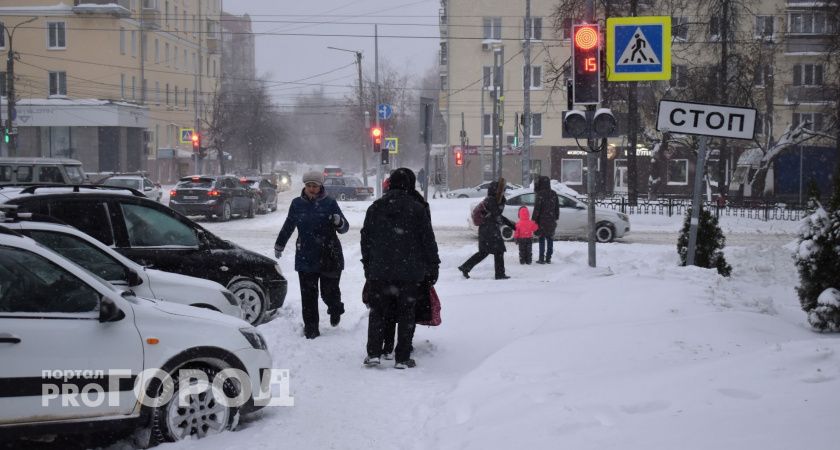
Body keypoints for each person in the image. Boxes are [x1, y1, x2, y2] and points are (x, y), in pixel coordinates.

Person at [361, 167, 440, 369]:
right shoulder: (417, 208)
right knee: (407, 313)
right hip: (409, 273)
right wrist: (433, 266)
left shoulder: (375, 207)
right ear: (409, 184)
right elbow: (428, 241)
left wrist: (368, 265)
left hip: (379, 271)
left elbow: (366, 239)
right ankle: (402, 357)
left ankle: (373, 353)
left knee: (378, 312)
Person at [274, 171, 349, 339]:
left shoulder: (330, 203)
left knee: (329, 292)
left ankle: (335, 308)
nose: (312, 189)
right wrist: (280, 244)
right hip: (306, 255)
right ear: (305, 186)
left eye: (315, 186)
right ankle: (311, 328)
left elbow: (344, 229)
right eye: (309, 186)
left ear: (321, 186)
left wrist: (339, 222)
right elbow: (289, 226)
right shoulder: (296, 204)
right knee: (308, 296)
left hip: (329, 254)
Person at [458, 177, 514, 280]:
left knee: (484, 252)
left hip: (486, 229)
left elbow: (497, 215)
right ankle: (499, 274)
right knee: (499, 251)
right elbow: (497, 216)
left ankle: (465, 267)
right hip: (490, 230)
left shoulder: (491, 199)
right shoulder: (492, 200)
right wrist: (512, 225)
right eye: (502, 190)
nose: (504, 192)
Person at [531, 175, 559, 264]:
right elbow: (557, 207)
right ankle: (549, 258)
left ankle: (541, 258)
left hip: (541, 221)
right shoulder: (554, 194)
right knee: (550, 239)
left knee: (542, 239)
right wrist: (556, 217)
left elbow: (537, 209)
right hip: (551, 220)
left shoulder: (540, 194)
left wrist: (533, 219)